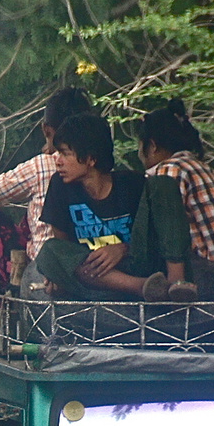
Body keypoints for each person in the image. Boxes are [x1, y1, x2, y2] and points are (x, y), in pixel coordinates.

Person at [34, 113, 193, 301]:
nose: (58, 161)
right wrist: (57, 274)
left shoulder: (133, 184)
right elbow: (64, 247)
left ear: (91, 159)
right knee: (49, 251)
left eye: (65, 153)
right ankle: (143, 288)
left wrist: (122, 249)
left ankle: (176, 285)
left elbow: (154, 238)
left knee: (163, 184)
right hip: (97, 275)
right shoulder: (60, 186)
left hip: (140, 267)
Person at [0, 87, 94, 294]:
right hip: (91, 262)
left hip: (50, 266)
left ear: (47, 130)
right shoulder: (99, 165)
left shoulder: (43, 166)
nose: (60, 162)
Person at [137, 98, 214, 298]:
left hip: (213, 272)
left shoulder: (169, 170)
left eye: (140, 146)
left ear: (151, 146)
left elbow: (165, 226)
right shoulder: (198, 165)